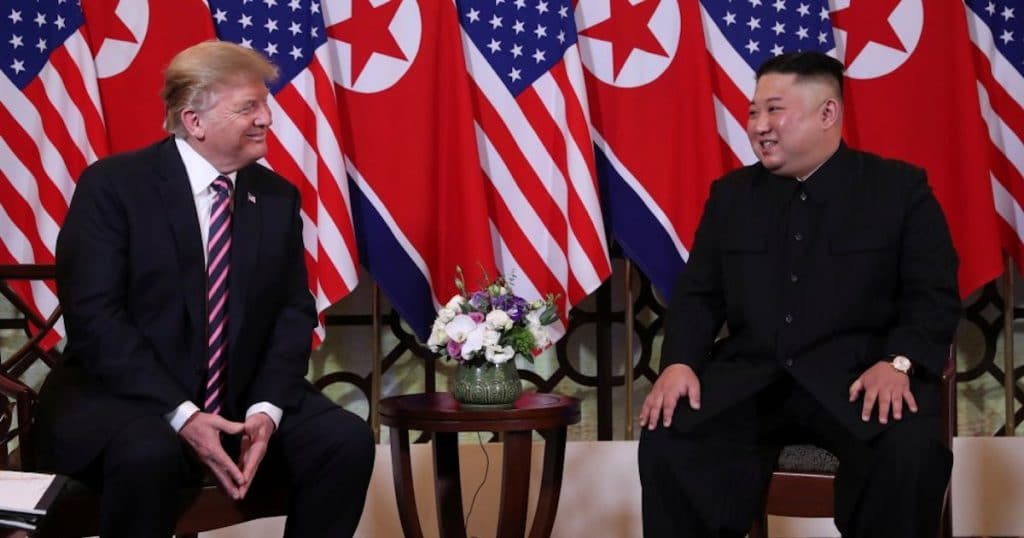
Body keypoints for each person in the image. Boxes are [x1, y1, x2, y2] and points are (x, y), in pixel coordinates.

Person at [34, 41, 374, 537]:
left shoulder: (276, 196)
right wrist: (185, 415)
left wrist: (266, 410)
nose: (268, 119)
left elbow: (293, 313)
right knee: (150, 451)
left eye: (264, 103)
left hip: (237, 400)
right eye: (248, 108)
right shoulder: (113, 187)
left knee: (343, 440)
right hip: (127, 401)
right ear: (194, 121)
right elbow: (96, 321)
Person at [638, 51, 960, 538]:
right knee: (670, 432)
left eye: (774, 110)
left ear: (828, 113)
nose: (759, 126)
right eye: (753, 112)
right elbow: (698, 295)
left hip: (859, 378)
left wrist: (900, 362)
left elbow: (932, 295)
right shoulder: (731, 196)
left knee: (907, 447)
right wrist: (679, 361)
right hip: (752, 380)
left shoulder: (898, 190)